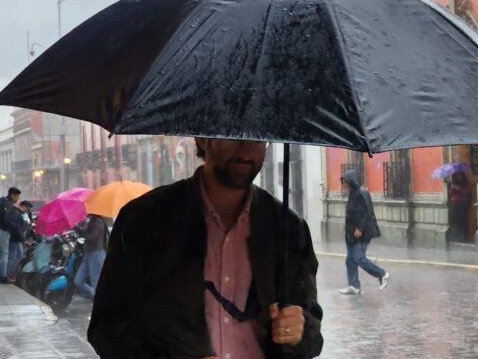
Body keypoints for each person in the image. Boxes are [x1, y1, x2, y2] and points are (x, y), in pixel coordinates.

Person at [88, 139, 323, 359]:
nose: (246, 151)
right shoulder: (145, 219)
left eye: (257, 140)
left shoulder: (288, 228)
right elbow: (107, 327)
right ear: (202, 139)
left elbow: (311, 331)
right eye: (233, 136)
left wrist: (298, 334)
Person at [338, 170, 389, 295]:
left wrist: (360, 228)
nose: (343, 186)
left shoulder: (362, 193)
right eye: (343, 183)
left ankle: (382, 274)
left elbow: (368, 213)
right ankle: (353, 285)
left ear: (351, 182)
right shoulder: (352, 195)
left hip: (362, 233)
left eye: (345, 183)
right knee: (350, 259)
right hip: (351, 234)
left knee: (358, 258)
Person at [74, 214, 112, 299]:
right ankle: (93, 294)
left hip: (96, 254)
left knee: (95, 281)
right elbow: (85, 232)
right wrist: (78, 227)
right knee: (78, 281)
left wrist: (79, 230)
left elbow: (91, 238)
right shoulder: (91, 220)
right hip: (88, 253)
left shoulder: (98, 221)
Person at [7, 200, 33, 276]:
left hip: (16, 238)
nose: (27, 211)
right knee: (13, 257)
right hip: (14, 239)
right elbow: (17, 228)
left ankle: (11, 273)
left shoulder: (17, 213)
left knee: (19, 256)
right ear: (24, 206)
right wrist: (23, 239)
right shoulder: (16, 214)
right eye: (27, 209)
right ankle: (8, 274)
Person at [447, 172, 472, 243]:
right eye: (457, 175)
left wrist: (457, 188)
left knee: (462, 223)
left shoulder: (466, 183)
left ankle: (463, 238)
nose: (459, 177)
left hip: (463, 205)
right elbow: (451, 194)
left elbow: (466, 192)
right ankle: (456, 238)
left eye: (460, 175)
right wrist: (451, 189)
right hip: (454, 205)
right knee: (455, 222)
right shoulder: (454, 183)